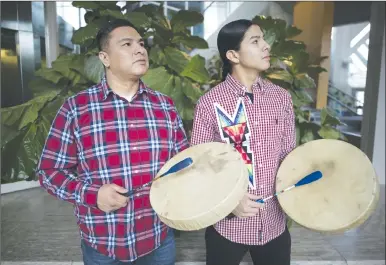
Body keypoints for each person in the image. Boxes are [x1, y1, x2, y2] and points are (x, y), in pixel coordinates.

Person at [36, 19, 189, 265]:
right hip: (103, 244)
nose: (139, 50)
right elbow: (49, 172)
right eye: (126, 44)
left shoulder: (164, 106)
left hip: (158, 238)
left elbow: (183, 163)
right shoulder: (76, 109)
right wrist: (92, 194)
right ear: (105, 58)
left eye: (141, 44)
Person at [190, 19, 296, 265]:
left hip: (275, 225)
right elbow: (199, 165)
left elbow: (289, 155)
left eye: (264, 39)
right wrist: (229, 202)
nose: (266, 46)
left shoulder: (281, 98)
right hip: (228, 228)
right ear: (233, 55)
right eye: (256, 41)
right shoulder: (210, 103)